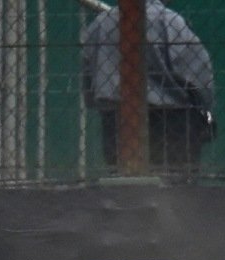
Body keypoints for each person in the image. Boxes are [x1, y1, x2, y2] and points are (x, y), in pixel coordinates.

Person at [81, 0, 216, 181]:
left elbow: (89, 75)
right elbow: (198, 73)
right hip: (172, 118)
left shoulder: (100, 24)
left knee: (122, 180)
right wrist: (204, 107)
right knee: (176, 181)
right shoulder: (169, 21)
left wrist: (98, 102)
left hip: (116, 118)